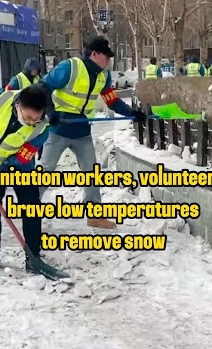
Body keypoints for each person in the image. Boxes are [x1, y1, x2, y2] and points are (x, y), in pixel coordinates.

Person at [38, 36, 147, 229]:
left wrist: (131, 113)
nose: (109, 60)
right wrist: (50, 112)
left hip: (82, 131)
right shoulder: (69, 67)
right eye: (106, 56)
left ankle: (94, 216)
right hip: (59, 128)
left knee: (91, 173)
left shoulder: (104, 76)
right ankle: (30, 209)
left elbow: (112, 100)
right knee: (46, 170)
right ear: (95, 53)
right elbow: (43, 87)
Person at [0, 84, 51, 272]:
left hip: (21, 168)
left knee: (31, 208)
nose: (32, 122)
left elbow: (23, 156)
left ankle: (33, 256)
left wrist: (7, 166)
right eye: (28, 117)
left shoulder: (41, 129)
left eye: (36, 118)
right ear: (18, 106)